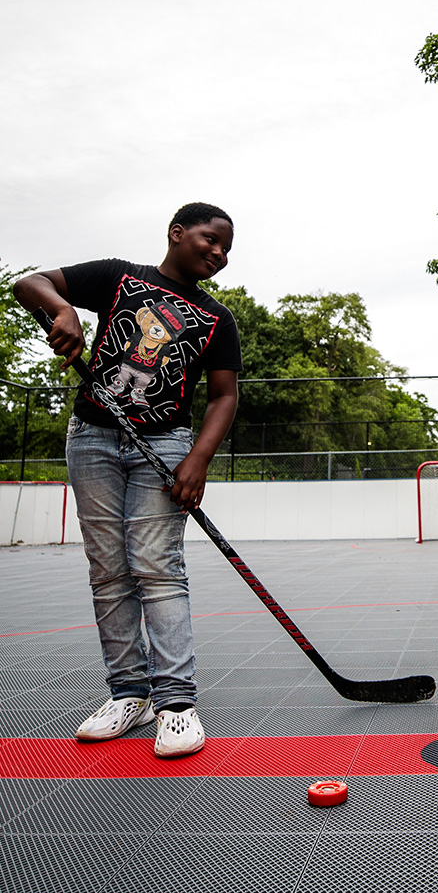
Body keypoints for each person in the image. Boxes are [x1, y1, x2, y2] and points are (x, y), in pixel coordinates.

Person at [13, 203, 242, 758]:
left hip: (163, 447)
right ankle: (129, 694)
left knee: (157, 568)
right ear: (177, 232)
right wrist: (62, 309)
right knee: (109, 570)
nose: (218, 253)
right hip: (91, 438)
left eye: (227, 249)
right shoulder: (120, 277)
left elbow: (224, 394)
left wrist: (199, 460)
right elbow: (29, 282)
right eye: (211, 239)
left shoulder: (216, 318)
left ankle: (177, 704)